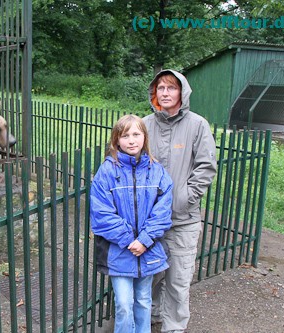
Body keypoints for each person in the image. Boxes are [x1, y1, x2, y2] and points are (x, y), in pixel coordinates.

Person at [144, 69, 217, 333]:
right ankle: (150, 314)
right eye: (160, 88)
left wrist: (185, 198)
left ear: (182, 92)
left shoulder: (197, 125)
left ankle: (173, 327)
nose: (165, 93)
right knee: (149, 275)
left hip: (182, 219)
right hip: (149, 220)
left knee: (178, 279)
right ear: (154, 93)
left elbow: (206, 166)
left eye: (171, 88)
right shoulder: (144, 125)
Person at [90, 114, 173, 333]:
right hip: (120, 252)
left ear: (145, 137)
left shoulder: (157, 172)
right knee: (124, 304)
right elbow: (101, 214)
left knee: (144, 300)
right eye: (125, 135)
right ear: (116, 140)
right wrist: (130, 240)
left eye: (136, 134)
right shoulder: (106, 172)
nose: (131, 140)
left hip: (148, 250)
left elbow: (162, 212)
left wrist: (144, 240)